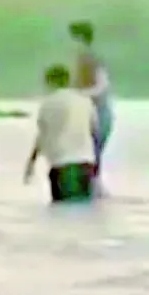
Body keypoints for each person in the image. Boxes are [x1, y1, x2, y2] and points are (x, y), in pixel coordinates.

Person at [24, 64, 98, 203]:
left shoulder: (48, 104)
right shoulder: (85, 101)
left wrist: (31, 164)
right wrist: (96, 165)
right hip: (86, 164)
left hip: (61, 165)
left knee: (62, 209)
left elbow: (42, 137)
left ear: (50, 82)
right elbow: (94, 133)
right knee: (85, 211)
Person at [69, 20, 113, 194]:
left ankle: (95, 191)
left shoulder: (92, 58)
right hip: (90, 114)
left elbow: (102, 85)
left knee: (92, 156)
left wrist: (80, 94)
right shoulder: (82, 59)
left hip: (98, 114)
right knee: (89, 157)